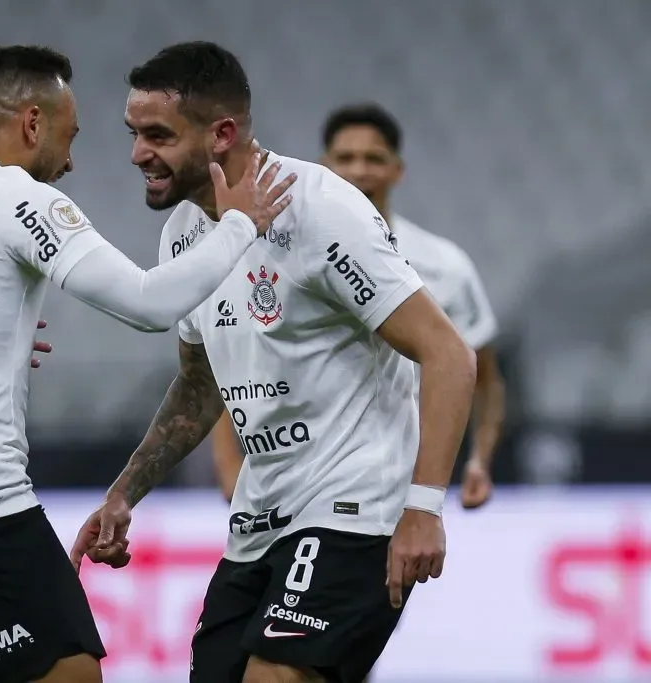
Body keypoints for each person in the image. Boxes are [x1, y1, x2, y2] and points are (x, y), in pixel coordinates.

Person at [0, 44, 295, 683]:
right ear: (31, 123)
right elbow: (147, 303)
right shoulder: (13, 196)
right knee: (70, 673)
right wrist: (238, 225)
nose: (71, 162)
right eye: (69, 138)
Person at [69, 42, 477, 683]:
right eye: (134, 133)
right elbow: (200, 384)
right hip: (260, 522)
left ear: (222, 133)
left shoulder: (322, 211)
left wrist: (424, 507)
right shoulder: (183, 231)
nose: (137, 154)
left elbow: (449, 354)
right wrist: (126, 493)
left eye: (157, 135)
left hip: (355, 510)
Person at [211, 104, 506, 510]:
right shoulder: (284, 256)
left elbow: (485, 379)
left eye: (374, 159)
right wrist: (230, 471)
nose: (359, 170)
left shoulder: (445, 266)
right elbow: (243, 365)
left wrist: (477, 461)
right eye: (345, 158)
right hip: (308, 475)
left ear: (397, 170)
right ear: (323, 167)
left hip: (418, 479)